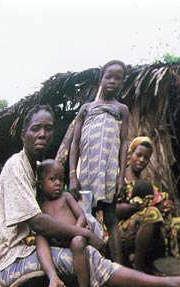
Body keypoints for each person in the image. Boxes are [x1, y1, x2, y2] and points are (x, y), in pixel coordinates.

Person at [0, 105, 180, 287]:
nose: (42, 134)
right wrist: (84, 234)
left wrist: (84, 227)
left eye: (48, 129)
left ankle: (97, 282)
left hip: (31, 249)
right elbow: (38, 222)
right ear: (23, 134)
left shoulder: (38, 169)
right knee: (87, 254)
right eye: (35, 128)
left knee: (90, 225)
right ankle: (170, 286)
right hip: (13, 260)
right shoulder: (15, 167)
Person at [68, 60, 129, 270]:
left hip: (109, 172)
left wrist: (121, 176)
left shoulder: (122, 110)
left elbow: (123, 144)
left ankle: (118, 274)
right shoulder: (86, 109)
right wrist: (72, 174)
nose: (112, 81)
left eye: (118, 78)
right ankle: (91, 273)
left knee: (111, 220)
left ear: (122, 82)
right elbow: (74, 144)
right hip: (86, 173)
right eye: (108, 76)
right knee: (85, 219)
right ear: (101, 79)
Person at [34, 160, 104, 287]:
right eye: (53, 179)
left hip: (75, 238)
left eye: (61, 179)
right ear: (40, 184)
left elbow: (81, 215)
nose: (58, 183)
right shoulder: (39, 206)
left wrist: (78, 230)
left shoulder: (66, 197)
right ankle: (55, 283)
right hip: (56, 243)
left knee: (78, 242)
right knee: (40, 238)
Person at [117, 136, 180, 274]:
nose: (142, 160)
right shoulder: (120, 179)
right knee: (153, 214)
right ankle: (138, 268)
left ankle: (148, 263)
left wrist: (165, 206)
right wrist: (146, 207)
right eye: (138, 155)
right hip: (118, 230)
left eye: (146, 157)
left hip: (143, 223)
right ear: (130, 154)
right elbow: (115, 211)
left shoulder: (146, 182)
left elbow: (156, 203)